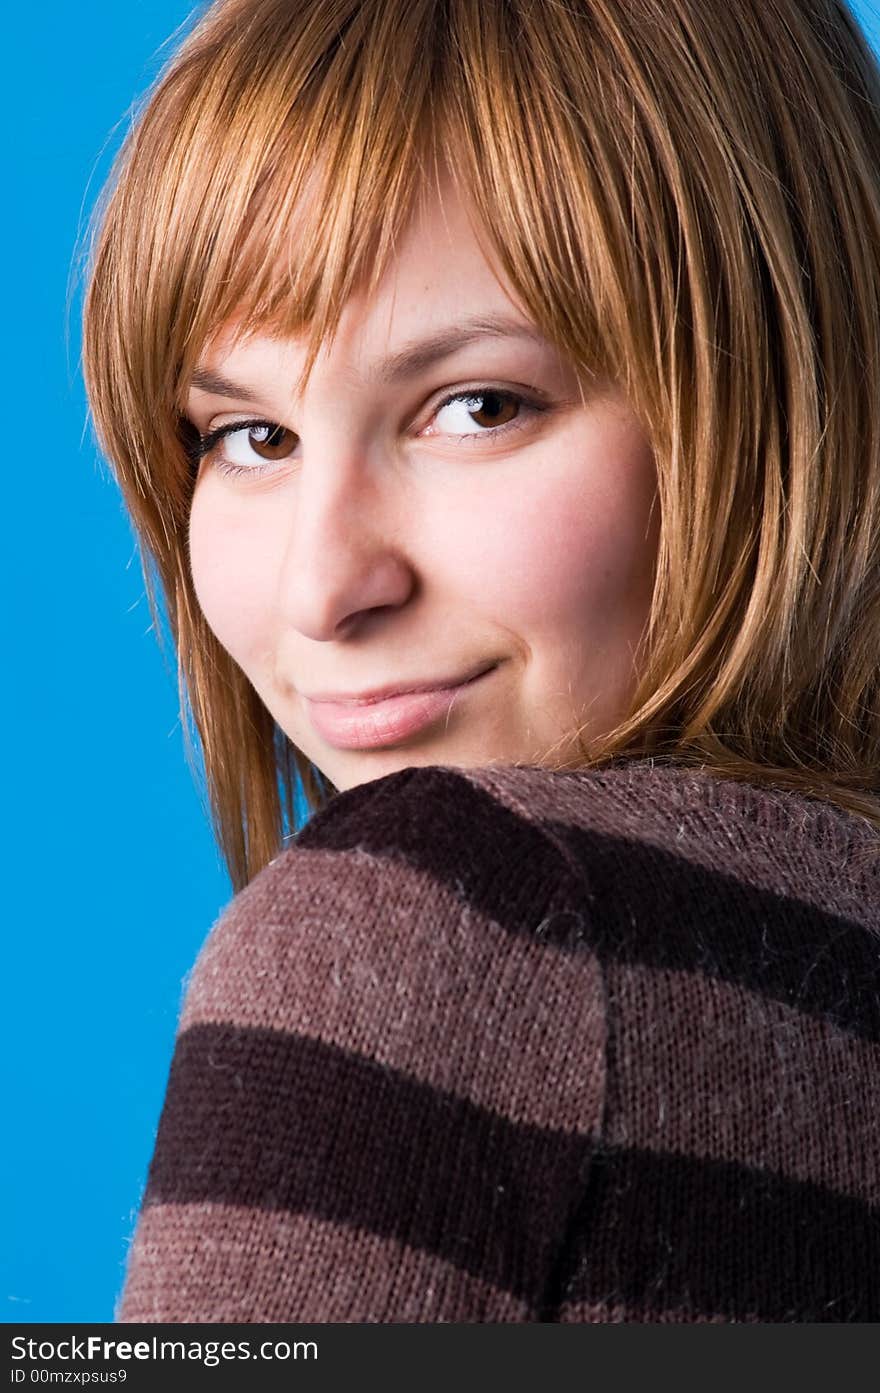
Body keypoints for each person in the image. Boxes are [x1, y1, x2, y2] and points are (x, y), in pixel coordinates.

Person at [82, 0, 880, 1322]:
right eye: (250, 436)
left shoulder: (444, 921)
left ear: (778, 390)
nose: (324, 586)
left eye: (478, 406)